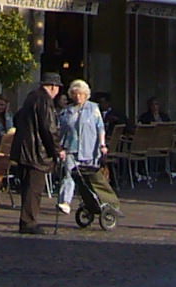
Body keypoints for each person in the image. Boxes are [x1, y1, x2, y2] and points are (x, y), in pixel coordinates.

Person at [12, 71, 65, 234]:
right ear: (53, 87)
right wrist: (57, 150)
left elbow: (17, 118)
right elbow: (49, 128)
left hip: (25, 150)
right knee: (34, 189)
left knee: (28, 188)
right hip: (36, 152)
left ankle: (27, 220)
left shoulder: (31, 97)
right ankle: (29, 222)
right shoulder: (45, 100)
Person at [59, 79, 117, 227]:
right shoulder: (67, 111)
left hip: (90, 150)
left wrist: (102, 145)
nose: (78, 97)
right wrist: (61, 148)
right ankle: (65, 202)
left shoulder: (93, 108)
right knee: (69, 175)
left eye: (81, 94)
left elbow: (100, 128)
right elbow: (62, 131)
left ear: (86, 95)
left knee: (90, 179)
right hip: (72, 148)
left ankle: (95, 201)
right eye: (75, 94)